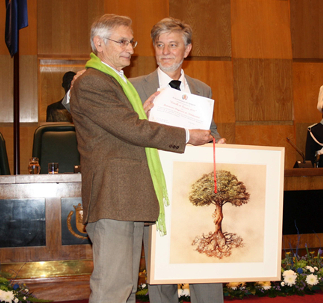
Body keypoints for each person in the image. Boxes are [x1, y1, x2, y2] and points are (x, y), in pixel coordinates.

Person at [69, 14, 213, 303]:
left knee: (126, 289)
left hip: (130, 199)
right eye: (122, 41)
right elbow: (132, 129)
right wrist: (186, 135)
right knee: (113, 288)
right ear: (98, 43)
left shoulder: (114, 81)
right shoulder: (93, 81)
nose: (131, 48)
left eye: (131, 41)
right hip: (115, 197)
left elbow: (124, 127)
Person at [129, 17, 225, 303]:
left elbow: (211, 131)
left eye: (173, 45)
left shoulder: (202, 89)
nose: (165, 51)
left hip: (196, 190)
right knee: (161, 274)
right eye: (159, 45)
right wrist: (140, 119)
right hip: (155, 190)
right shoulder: (134, 87)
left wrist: (218, 141)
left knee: (205, 263)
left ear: (188, 49)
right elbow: (125, 134)